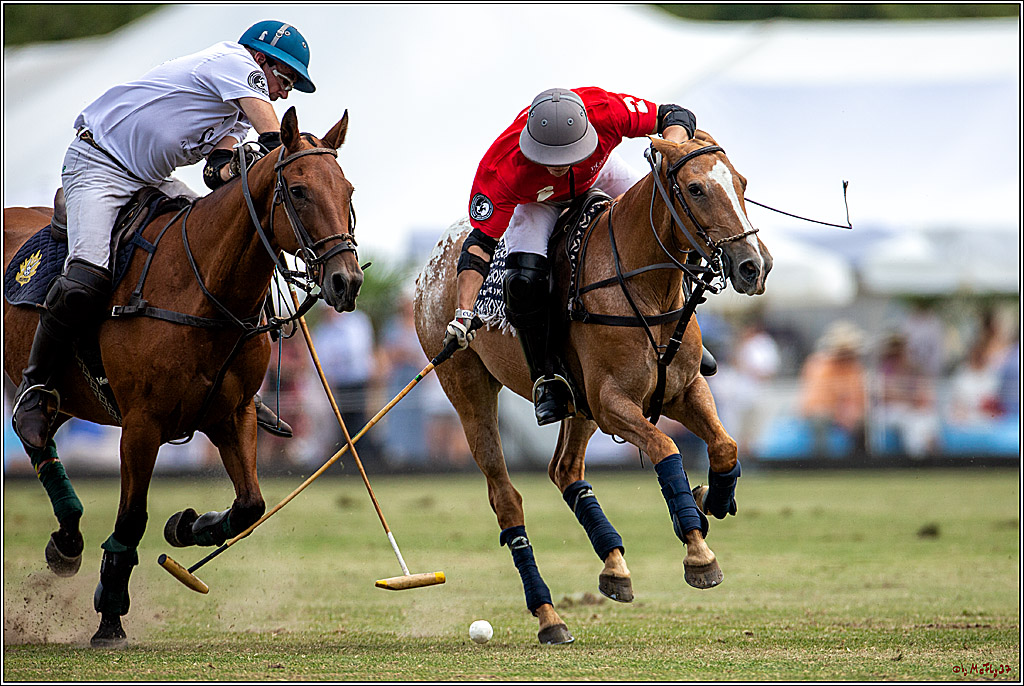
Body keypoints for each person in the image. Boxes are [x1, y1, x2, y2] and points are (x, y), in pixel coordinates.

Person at [11, 20, 315, 450]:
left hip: (149, 178)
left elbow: (215, 173)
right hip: (98, 165)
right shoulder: (233, 61)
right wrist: (297, 157)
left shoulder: (236, 114)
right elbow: (277, 136)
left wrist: (238, 168)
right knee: (86, 279)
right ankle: (34, 389)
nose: (284, 93)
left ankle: (239, 384)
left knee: (227, 245)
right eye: (286, 80)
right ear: (261, 60)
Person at [442, 86, 702, 425]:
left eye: (567, 156)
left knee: (673, 215)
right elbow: (479, 247)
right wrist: (464, 312)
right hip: (538, 202)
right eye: (548, 159)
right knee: (523, 280)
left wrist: (675, 148)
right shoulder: (500, 168)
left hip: (601, 172)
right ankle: (548, 378)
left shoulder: (606, 111)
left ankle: (687, 338)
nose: (557, 167)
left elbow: (676, 116)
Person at [798, 321, 868, 457]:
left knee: (863, 425)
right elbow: (817, 402)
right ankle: (822, 463)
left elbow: (858, 397)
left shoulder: (854, 368)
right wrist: (840, 413)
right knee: (820, 422)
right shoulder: (819, 366)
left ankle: (858, 463)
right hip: (821, 412)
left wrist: (853, 413)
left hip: (845, 414)